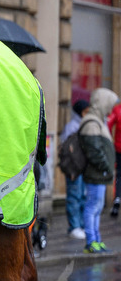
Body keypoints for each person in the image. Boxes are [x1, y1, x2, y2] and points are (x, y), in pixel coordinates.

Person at [78, 87, 118, 254]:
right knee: (93, 207)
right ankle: (91, 241)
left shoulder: (98, 120)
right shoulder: (92, 123)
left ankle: (96, 239)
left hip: (100, 174)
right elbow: (94, 151)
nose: (111, 108)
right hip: (96, 174)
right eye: (109, 104)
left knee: (97, 207)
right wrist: (106, 167)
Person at [63, 99, 90, 239]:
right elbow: (67, 150)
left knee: (82, 196)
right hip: (74, 168)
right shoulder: (72, 126)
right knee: (75, 196)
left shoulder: (83, 124)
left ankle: (79, 225)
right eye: (85, 111)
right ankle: (74, 226)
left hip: (83, 168)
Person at [105, 99, 121, 217]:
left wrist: (109, 140)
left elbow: (108, 124)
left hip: (119, 148)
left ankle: (117, 198)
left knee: (119, 175)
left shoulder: (117, 110)